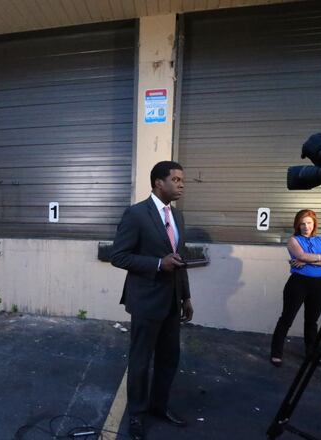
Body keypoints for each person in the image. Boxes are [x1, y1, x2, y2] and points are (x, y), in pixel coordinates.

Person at [111, 161, 194, 440]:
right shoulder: (136, 214)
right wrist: (158, 264)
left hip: (172, 301)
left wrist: (186, 297)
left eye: (182, 180)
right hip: (146, 300)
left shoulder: (178, 217)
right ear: (159, 182)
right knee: (141, 361)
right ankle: (136, 414)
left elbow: (179, 259)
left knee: (169, 358)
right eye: (176, 179)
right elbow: (119, 256)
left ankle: (159, 407)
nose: (181, 184)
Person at [270, 209, 321, 367]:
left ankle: (311, 353)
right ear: (297, 225)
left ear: (314, 224)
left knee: (312, 321)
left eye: (308, 223)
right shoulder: (293, 240)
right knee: (287, 319)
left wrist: (309, 261)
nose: (305, 226)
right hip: (298, 283)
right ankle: (276, 353)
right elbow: (302, 256)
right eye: (302, 223)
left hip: (319, 284)